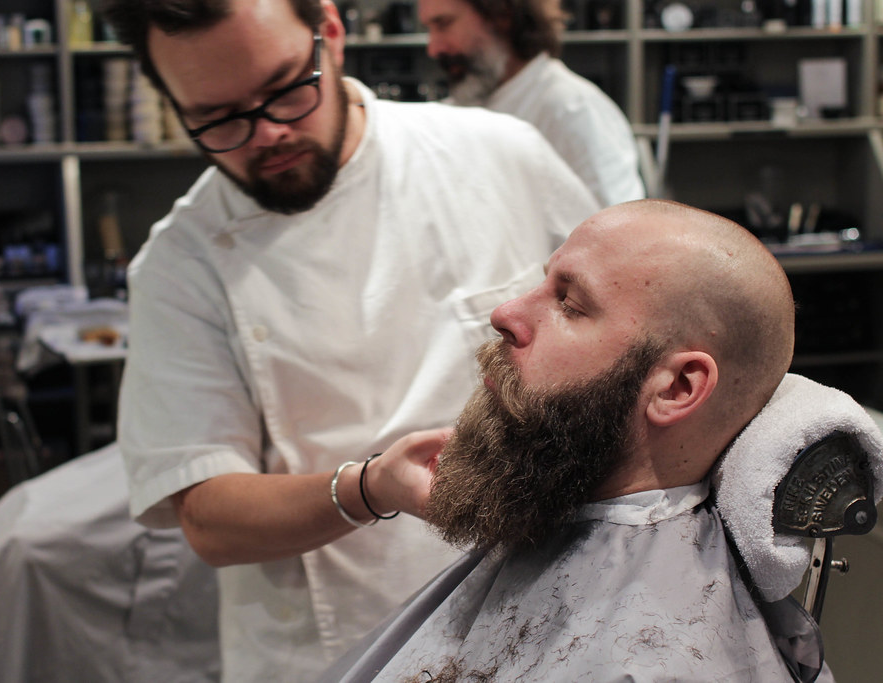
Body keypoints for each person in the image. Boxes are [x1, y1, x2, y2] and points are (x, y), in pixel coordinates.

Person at [103, 0, 598, 679]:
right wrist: (369, 489)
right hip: (338, 648)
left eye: (284, 89)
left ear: (330, 34)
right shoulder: (180, 266)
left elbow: (626, 318)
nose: (267, 131)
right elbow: (207, 516)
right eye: (218, 118)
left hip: (552, 611)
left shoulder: (497, 154)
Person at [319, 198, 815, 681]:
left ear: (677, 388)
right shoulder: (555, 516)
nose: (505, 313)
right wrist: (371, 486)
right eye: (543, 282)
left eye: (571, 305)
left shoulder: (657, 658)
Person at [419, 0, 646, 207]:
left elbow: (620, 232)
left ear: (502, 16)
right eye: (428, 29)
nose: (433, 48)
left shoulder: (573, 108)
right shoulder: (458, 108)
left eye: (444, 24)